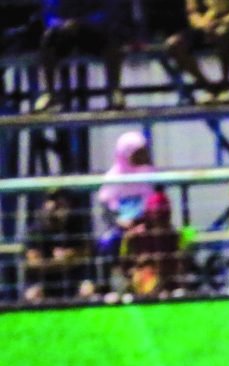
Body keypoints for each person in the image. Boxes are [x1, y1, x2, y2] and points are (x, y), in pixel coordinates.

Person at [35, 0, 125, 111]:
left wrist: (83, 22)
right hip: (63, 31)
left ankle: (114, 91)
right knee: (47, 41)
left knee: (112, 42)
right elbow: (48, 16)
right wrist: (62, 24)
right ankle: (50, 94)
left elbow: (108, 11)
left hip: (90, 29)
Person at [166, 0, 229, 102]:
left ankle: (225, 86)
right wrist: (203, 25)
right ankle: (207, 86)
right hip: (203, 26)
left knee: (222, 34)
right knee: (174, 45)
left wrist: (222, 21)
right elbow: (192, 12)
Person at [22, 188, 93, 302]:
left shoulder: (76, 225)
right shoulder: (35, 230)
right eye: (52, 202)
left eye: (60, 203)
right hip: (43, 281)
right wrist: (61, 261)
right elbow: (34, 263)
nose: (55, 208)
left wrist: (71, 255)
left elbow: (87, 252)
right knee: (33, 294)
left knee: (88, 289)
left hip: (72, 278)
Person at [97, 130, 157, 258]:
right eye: (137, 153)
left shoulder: (150, 174)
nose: (143, 156)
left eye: (143, 151)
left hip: (147, 224)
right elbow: (106, 209)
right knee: (107, 243)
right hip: (121, 227)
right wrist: (121, 222)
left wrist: (145, 221)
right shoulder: (113, 177)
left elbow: (158, 203)